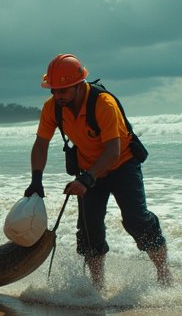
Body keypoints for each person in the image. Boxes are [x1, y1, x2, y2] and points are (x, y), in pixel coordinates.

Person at [25, 54, 171, 289]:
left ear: (78, 84)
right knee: (88, 230)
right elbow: (41, 144)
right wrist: (36, 179)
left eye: (62, 91)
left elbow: (113, 151)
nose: (56, 96)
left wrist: (87, 178)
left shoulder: (103, 103)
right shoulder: (53, 108)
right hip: (87, 170)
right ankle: (97, 287)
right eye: (53, 90)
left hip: (122, 166)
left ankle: (165, 275)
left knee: (136, 221)